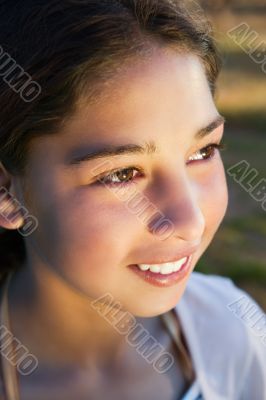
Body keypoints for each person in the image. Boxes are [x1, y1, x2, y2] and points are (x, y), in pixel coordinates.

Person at [0, 1, 265, 399]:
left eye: (202, 152)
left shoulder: (232, 332)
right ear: (8, 193)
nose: (189, 221)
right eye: (122, 174)